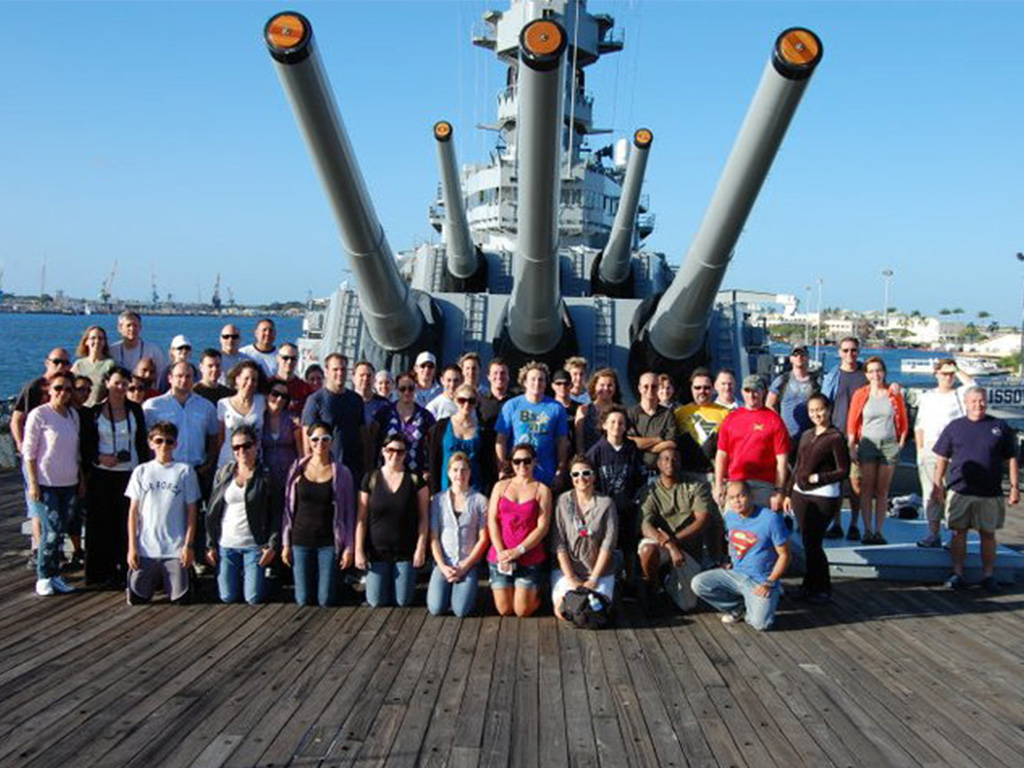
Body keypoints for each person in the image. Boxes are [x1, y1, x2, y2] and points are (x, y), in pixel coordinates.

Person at [932, 387, 1018, 592]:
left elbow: (1011, 459)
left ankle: (988, 575)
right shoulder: (955, 427)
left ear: (986, 402)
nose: (978, 405)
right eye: (973, 401)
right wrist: (938, 486)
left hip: (990, 492)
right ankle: (957, 573)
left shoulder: (999, 426)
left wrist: (1015, 487)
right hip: (960, 490)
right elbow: (941, 458)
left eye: (981, 401)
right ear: (966, 403)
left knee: (988, 534)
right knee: (957, 533)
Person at [142, 361, 219, 563]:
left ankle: (198, 560)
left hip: (196, 470)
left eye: (188, 376)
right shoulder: (153, 406)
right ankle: (167, 560)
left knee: (198, 517)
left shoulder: (206, 406)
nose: (183, 380)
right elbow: (146, 439)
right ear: (169, 377)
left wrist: (209, 464)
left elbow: (213, 437)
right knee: (166, 515)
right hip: (165, 471)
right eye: (179, 376)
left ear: (194, 379)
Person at [80, 365, 150, 588]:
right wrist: (100, 458)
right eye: (117, 383)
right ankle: (100, 573)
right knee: (101, 523)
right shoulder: (95, 412)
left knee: (126, 523)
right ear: (107, 383)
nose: (121, 388)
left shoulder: (135, 410)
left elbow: (141, 441)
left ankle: (125, 569)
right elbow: (85, 445)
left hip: (129, 473)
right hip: (102, 474)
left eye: (125, 384)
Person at [692, 480, 791, 630]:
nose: (736, 501)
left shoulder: (770, 519)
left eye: (741, 496)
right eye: (732, 498)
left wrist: (770, 582)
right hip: (737, 575)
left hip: (761, 581)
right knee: (698, 583)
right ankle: (737, 607)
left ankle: (762, 601)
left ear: (751, 496)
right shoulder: (730, 517)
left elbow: (785, 555)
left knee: (761, 624)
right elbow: (732, 542)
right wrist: (727, 560)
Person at [125, 421, 200, 605]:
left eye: (169, 441)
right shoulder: (141, 471)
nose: (163, 446)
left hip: (175, 549)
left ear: (176, 444)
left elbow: (192, 512)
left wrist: (188, 546)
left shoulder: (185, 471)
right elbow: (133, 513)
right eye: (159, 441)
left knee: (181, 599)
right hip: (146, 549)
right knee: (137, 599)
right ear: (151, 443)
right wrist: (132, 547)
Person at [282, 421, 356, 606]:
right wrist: (285, 543)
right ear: (309, 441)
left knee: (325, 600)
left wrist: (348, 548)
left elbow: (349, 513)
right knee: (303, 599)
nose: (320, 443)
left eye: (325, 439)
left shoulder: (342, 472)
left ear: (331, 441)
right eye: (315, 439)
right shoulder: (297, 469)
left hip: (328, 541)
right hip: (301, 539)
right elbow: (288, 509)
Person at [784, 393, 849, 603]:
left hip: (824, 496)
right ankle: (809, 585)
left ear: (828, 409)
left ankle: (823, 588)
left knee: (814, 542)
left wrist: (819, 477)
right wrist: (787, 492)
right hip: (800, 495)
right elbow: (798, 465)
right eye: (812, 411)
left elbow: (843, 470)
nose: (816, 414)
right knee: (806, 541)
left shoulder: (836, 437)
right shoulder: (806, 435)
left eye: (820, 409)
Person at [206, 425, 282, 604]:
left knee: (253, 597)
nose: (242, 451)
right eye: (236, 447)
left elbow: (276, 514)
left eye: (246, 446)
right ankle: (241, 576)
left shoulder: (266, 476)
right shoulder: (223, 474)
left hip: (254, 545)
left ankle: (267, 577)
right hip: (227, 545)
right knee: (227, 596)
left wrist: (272, 545)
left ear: (256, 446)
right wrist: (210, 545)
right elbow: (211, 512)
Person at [11, 348, 73, 565]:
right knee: (38, 508)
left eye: (66, 362)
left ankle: (52, 554)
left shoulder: (68, 389)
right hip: (36, 461)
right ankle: (39, 552)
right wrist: (22, 447)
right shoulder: (34, 388)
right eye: (57, 361)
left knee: (57, 515)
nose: (61, 366)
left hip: (60, 464)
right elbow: (17, 418)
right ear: (47, 362)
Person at [22, 370, 82, 596]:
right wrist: (33, 484)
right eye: (58, 388)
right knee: (50, 531)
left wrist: (81, 480)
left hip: (68, 482)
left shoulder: (72, 415)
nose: (63, 393)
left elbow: (75, 452)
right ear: (49, 389)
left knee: (60, 531)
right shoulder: (39, 415)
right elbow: (29, 453)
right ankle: (43, 575)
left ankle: (55, 574)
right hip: (45, 483)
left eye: (68, 389)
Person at [356, 433, 430, 607]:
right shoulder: (371, 479)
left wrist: (420, 547)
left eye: (400, 451)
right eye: (390, 450)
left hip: (405, 552)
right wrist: (359, 550)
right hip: (377, 552)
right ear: (383, 451)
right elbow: (361, 518)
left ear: (405, 454)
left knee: (403, 601)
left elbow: (424, 517)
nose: (395, 455)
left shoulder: (415, 480)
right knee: (376, 601)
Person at [638, 446, 711, 613]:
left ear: (681, 463)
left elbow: (702, 520)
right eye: (665, 459)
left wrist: (675, 541)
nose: (670, 463)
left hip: (687, 548)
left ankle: (668, 578)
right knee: (647, 549)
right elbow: (645, 525)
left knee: (688, 605)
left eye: (675, 459)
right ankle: (655, 589)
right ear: (658, 464)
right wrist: (670, 545)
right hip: (663, 545)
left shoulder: (696, 486)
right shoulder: (650, 490)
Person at [846, 356, 908, 545]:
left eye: (878, 370)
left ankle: (879, 531)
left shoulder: (893, 393)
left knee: (882, 490)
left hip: (889, 444)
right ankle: (867, 530)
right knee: (866, 489)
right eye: (871, 371)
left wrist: (901, 443)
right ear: (866, 374)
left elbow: (903, 420)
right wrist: (851, 445)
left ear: (884, 372)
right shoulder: (861, 394)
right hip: (867, 444)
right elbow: (852, 421)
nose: (875, 375)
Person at [486, 443, 552, 617]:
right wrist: (501, 552)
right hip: (501, 557)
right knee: (505, 610)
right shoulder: (500, 486)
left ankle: (538, 593)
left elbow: (542, 527)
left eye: (527, 461)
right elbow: (492, 520)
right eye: (517, 461)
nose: (522, 465)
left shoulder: (542, 490)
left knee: (522, 611)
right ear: (512, 463)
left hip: (529, 556)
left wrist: (519, 550)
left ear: (534, 462)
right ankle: (520, 591)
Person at [915, 359, 975, 548]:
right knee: (931, 492)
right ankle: (933, 534)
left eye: (950, 374)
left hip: (955, 451)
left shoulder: (960, 394)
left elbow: (973, 385)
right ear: (936, 374)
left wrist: (957, 370)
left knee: (954, 494)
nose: (947, 377)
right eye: (944, 373)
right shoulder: (927, 396)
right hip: (931, 449)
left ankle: (953, 536)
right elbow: (920, 425)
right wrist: (920, 450)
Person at [552, 455, 618, 620]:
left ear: (594, 476)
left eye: (586, 473)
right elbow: (559, 544)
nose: (581, 478)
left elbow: (607, 545)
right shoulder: (563, 502)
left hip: (599, 572)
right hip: (568, 571)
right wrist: (572, 578)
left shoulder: (606, 504)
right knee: (564, 612)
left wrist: (593, 579)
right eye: (575, 474)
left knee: (594, 612)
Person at [586, 405, 644, 585]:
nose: (616, 426)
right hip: (604, 509)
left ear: (626, 426)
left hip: (627, 507)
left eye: (621, 423)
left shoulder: (632, 448)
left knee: (629, 546)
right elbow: (588, 482)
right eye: (612, 422)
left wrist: (635, 498)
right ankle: (606, 579)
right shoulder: (596, 451)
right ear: (604, 425)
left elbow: (639, 477)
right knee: (605, 545)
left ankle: (631, 583)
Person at [427, 452, 490, 617]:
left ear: (470, 472)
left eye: (464, 470)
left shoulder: (480, 501)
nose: (459, 475)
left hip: (467, 564)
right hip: (444, 562)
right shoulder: (438, 500)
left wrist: (465, 566)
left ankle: (462, 589)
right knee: (436, 608)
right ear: (448, 473)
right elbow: (433, 537)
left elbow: (483, 539)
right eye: (455, 470)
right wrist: (442, 565)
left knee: (461, 610)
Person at [714, 375, 789, 511]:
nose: (751, 395)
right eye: (747, 391)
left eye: (756, 390)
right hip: (735, 482)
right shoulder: (731, 419)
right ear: (742, 392)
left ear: (763, 392)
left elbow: (782, 460)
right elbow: (722, 454)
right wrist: (719, 484)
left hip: (764, 485)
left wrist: (779, 491)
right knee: (734, 529)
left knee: (762, 529)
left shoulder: (775, 421)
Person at [821, 337, 867, 540]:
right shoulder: (833, 376)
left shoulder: (866, 375)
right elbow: (824, 404)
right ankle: (837, 523)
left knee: (856, 484)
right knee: (837, 482)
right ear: (839, 353)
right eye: (846, 350)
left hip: (860, 437)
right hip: (837, 434)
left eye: (854, 350)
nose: (850, 354)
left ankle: (855, 524)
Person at [495, 361, 569, 488]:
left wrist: (560, 472)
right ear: (525, 382)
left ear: (546, 383)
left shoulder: (556, 408)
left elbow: (562, 441)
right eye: (532, 379)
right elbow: (501, 440)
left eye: (541, 380)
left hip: (546, 472)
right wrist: (502, 468)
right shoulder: (511, 406)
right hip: (518, 471)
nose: (537, 383)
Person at [302, 353, 366, 485]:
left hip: (352, 469)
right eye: (335, 369)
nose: (340, 373)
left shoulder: (356, 400)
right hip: (325, 469)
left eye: (343, 369)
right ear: (326, 372)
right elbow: (306, 438)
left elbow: (362, 435)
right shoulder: (315, 400)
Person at [427, 383, 496, 494]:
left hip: (475, 489)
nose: (466, 404)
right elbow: (434, 460)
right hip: (446, 489)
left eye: (471, 401)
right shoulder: (441, 427)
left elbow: (488, 465)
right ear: (455, 400)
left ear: (476, 403)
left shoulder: (484, 430)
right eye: (462, 400)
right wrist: (433, 491)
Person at [371, 371, 434, 482]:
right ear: (396, 389)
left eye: (410, 388)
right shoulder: (385, 413)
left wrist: (428, 470)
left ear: (416, 388)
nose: (407, 392)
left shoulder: (425, 416)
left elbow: (432, 445)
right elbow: (374, 441)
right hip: (388, 474)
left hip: (415, 475)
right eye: (402, 389)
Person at [673, 368, 729, 477]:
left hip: (713, 474)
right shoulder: (679, 413)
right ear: (691, 389)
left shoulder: (726, 413)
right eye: (697, 388)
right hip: (686, 473)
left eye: (706, 388)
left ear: (713, 388)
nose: (702, 391)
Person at [766, 345, 820, 455]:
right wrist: (779, 424)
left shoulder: (817, 381)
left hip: (809, 436)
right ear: (791, 358)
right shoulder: (782, 380)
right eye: (795, 354)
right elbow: (769, 404)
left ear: (808, 357)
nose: (799, 357)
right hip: (787, 436)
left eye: (802, 354)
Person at [627, 371, 680, 477]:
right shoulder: (630, 414)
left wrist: (642, 445)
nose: (650, 390)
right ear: (639, 388)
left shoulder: (667, 414)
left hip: (659, 475)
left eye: (654, 386)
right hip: (634, 474)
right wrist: (657, 439)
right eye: (646, 386)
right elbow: (628, 443)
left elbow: (671, 443)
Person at [216, 360, 266, 468]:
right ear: (237, 379)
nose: (250, 383)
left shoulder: (262, 402)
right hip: (228, 460)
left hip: (254, 461)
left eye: (254, 380)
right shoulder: (223, 404)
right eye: (246, 378)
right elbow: (220, 438)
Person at [263, 380, 302, 489]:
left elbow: (300, 450)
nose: (279, 399)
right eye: (275, 394)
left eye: (284, 396)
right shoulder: (260, 418)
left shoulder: (292, 419)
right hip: (266, 476)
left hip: (289, 473)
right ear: (267, 395)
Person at [575, 367, 622, 454]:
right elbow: (579, 440)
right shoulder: (584, 410)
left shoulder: (620, 411)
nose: (606, 389)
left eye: (610, 385)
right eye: (602, 385)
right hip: (590, 457)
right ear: (594, 386)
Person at [109, 311, 165, 380]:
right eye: (128, 325)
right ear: (120, 328)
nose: (132, 329)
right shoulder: (112, 350)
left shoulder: (153, 351)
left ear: (140, 327)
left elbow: (161, 376)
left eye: (135, 325)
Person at [71, 325, 115, 407]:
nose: (97, 341)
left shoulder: (110, 364)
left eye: (100, 338)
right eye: (93, 338)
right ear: (86, 341)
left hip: (98, 410)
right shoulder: (79, 364)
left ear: (104, 342)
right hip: (79, 408)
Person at [273, 343, 311, 417]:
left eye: (293, 359)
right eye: (285, 358)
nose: (289, 362)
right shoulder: (268, 384)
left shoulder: (305, 389)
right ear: (277, 358)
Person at [352, 360, 390, 425]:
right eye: (362, 375)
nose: (365, 378)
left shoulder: (384, 404)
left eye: (369, 375)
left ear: (374, 379)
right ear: (353, 378)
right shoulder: (345, 402)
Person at [478, 357, 511, 429]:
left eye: (503, 373)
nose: (499, 376)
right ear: (488, 377)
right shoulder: (480, 401)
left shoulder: (515, 400)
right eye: (495, 373)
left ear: (508, 376)